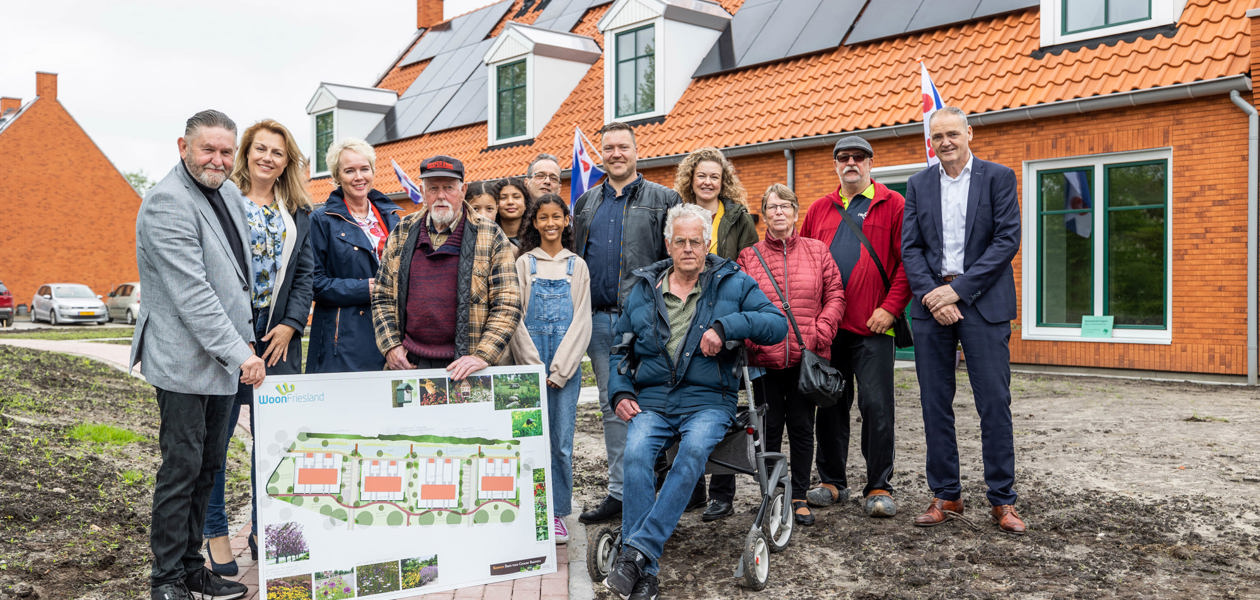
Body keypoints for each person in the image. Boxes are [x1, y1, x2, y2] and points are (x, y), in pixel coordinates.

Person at [603, 204, 786, 600]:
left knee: (693, 450)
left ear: (708, 244)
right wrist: (619, 391)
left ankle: (635, 552)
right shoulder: (644, 289)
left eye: (696, 241)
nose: (688, 248)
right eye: (680, 241)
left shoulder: (732, 283)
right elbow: (620, 348)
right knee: (635, 452)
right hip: (652, 400)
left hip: (708, 400)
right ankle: (645, 569)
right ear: (668, 244)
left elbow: (776, 325)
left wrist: (726, 325)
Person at [132, 109, 259, 600]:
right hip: (183, 362)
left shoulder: (226, 192)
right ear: (182, 147)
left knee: (208, 469)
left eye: (227, 151)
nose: (219, 160)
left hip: (225, 360)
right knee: (181, 471)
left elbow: (236, 280)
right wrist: (240, 353)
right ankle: (165, 581)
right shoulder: (167, 203)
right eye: (208, 149)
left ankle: (190, 568)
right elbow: (194, 294)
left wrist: (244, 340)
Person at [902, 107, 1025, 534]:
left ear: (969, 133)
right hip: (932, 306)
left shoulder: (998, 178)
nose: (946, 142)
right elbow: (911, 248)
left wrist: (959, 290)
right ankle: (946, 494)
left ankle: (1002, 500)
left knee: (993, 402)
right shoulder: (917, 185)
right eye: (938, 137)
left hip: (983, 302)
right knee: (935, 404)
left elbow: (1007, 239)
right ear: (931, 142)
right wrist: (935, 298)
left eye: (953, 133)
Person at [203, 119, 313, 575]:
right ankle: (215, 533)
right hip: (226, 344)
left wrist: (290, 325)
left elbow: (304, 275)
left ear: (287, 162)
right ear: (246, 153)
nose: (268, 158)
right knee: (217, 443)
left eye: (278, 152)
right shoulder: (219, 202)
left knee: (276, 442)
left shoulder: (298, 211)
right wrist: (232, 339)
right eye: (261, 149)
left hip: (277, 344)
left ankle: (263, 526)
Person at [572, 122, 681, 525]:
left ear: (637, 150)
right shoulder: (585, 204)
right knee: (612, 405)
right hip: (600, 324)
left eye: (623, 147)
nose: (615, 154)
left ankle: (662, 488)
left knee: (657, 401)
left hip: (648, 320)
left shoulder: (665, 199)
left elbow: (677, 261)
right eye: (608, 148)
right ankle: (621, 492)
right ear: (601, 153)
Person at [800, 135, 911, 518]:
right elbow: (805, 266)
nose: (851, 163)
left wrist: (891, 309)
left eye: (859, 157)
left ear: (870, 163)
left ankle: (879, 485)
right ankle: (832, 481)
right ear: (835, 165)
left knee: (877, 407)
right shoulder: (819, 209)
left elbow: (905, 264)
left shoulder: (893, 204)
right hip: (830, 330)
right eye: (844, 158)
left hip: (876, 327)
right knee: (830, 405)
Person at [736, 184, 845, 526]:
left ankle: (798, 496)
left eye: (785, 206)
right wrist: (754, 342)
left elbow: (836, 296)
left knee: (801, 428)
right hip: (765, 363)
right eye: (772, 207)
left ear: (797, 213)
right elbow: (739, 304)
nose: (779, 212)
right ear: (764, 215)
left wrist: (821, 333)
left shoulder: (818, 251)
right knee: (769, 431)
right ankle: (772, 495)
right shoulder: (749, 257)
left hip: (804, 362)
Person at [372, 155, 522, 382]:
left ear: (463, 190)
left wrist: (482, 355)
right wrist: (391, 346)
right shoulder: (402, 232)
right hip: (410, 364)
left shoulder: (490, 235)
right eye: (433, 188)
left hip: (468, 367)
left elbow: (508, 303)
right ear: (423, 192)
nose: (441, 196)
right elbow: (382, 295)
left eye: (449, 188)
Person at [673, 146, 759, 521]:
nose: (707, 182)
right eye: (701, 175)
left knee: (720, 403)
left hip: (721, 321)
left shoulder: (738, 216)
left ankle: (722, 494)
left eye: (715, 176)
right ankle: (691, 489)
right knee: (681, 400)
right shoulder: (677, 213)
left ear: (723, 181)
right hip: (681, 316)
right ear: (691, 179)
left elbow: (750, 266)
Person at [507, 193, 592, 545]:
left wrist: (559, 370)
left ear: (566, 220)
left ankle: (556, 514)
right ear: (535, 223)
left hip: (564, 372)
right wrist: (532, 367)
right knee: (527, 440)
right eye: (544, 217)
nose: (551, 223)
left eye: (557, 216)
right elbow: (514, 319)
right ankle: (527, 508)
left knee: (560, 444)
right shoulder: (525, 264)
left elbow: (582, 323)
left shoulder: (578, 267)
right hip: (529, 365)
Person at [308, 138, 401, 373]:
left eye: (364, 169)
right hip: (344, 337)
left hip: (393, 332)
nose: (358, 177)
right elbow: (313, 283)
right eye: (349, 171)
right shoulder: (321, 220)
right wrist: (363, 288)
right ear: (337, 177)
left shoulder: (393, 217)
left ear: (373, 171)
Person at [496, 176, 533, 247]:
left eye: (516, 197)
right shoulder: (488, 237)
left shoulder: (537, 237)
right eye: (503, 198)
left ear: (526, 203)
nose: (510, 202)